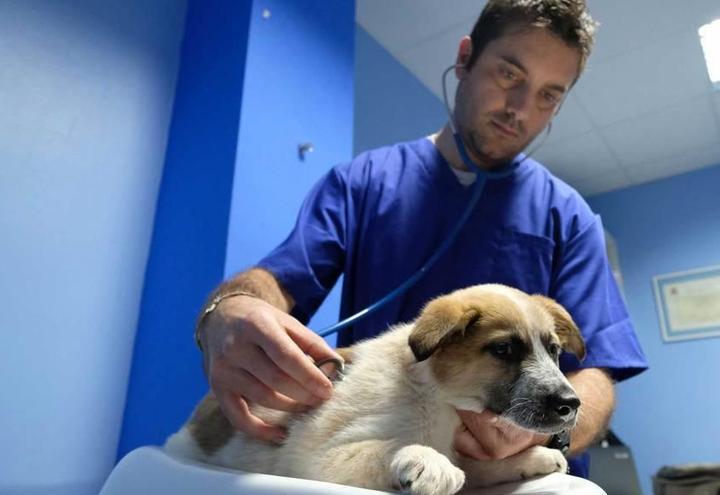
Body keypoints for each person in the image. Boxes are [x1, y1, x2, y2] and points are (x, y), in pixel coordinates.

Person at [194, 0, 647, 483]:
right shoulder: (364, 182)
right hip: (383, 459)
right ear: (466, 57)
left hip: (518, 479)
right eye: (510, 75)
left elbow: (599, 369)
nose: (521, 110)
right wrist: (231, 309)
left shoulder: (567, 213)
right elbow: (278, 280)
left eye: (548, 96)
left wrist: (542, 432)